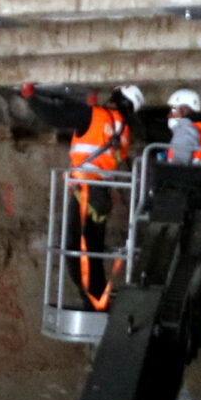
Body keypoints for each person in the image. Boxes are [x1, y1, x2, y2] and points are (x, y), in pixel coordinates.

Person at [65, 84, 143, 310]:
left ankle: (92, 300)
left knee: (74, 249)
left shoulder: (99, 116)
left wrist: (31, 97)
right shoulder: (123, 130)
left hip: (86, 191)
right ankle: (98, 299)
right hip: (100, 193)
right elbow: (113, 155)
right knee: (91, 249)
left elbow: (57, 116)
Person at [163, 88, 201, 163]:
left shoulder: (185, 128)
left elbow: (180, 160)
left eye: (173, 109)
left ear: (185, 109)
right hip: (198, 168)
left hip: (184, 169)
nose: (169, 115)